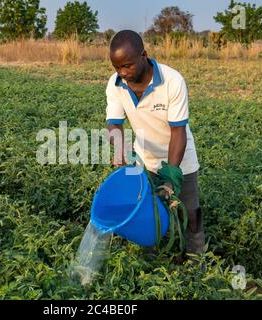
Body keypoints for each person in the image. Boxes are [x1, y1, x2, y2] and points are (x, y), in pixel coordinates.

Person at [105, 30, 205, 256]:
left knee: (191, 214)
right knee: (147, 213)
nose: (123, 73)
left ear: (144, 55)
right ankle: (150, 265)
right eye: (117, 67)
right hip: (145, 161)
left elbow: (178, 131)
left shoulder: (172, 81)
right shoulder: (116, 84)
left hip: (181, 158)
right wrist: (120, 146)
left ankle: (196, 265)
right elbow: (114, 123)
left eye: (128, 66)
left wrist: (171, 176)